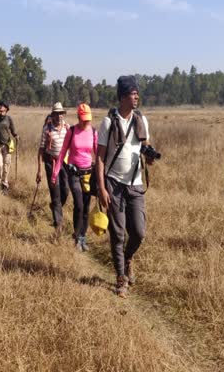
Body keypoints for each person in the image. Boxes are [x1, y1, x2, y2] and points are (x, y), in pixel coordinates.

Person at [96, 75, 154, 298]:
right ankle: (121, 278)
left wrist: (149, 158)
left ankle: (128, 258)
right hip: (113, 184)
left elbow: (144, 147)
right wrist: (101, 188)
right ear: (122, 97)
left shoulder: (142, 120)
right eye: (132, 93)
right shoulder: (108, 123)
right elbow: (100, 158)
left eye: (137, 92)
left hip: (136, 185)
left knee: (138, 233)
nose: (136, 96)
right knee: (118, 233)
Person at [52, 103, 98, 251]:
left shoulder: (94, 132)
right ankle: (76, 237)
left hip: (88, 174)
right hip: (73, 173)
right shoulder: (71, 131)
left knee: (85, 207)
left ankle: (83, 237)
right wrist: (55, 173)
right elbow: (62, 153)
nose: (86, 122)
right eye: (84, 119)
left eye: (88, 119)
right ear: (78, 117)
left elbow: (98, 155)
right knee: (78, 205)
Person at [36, 102, 70, 238]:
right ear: (53, 115)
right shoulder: (47, 129)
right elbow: (41, 150)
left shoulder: (67, 128)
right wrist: (39, 170)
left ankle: (55, 207)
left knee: (66, 191)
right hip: (51, 163)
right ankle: (58, 226)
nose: (59, 116)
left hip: (65, 163)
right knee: (55, 194)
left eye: (61, 113)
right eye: (56, 114)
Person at [0, 100, 18, 195]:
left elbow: (13, 130)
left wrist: (16, 136)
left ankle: (4, 184)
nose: (0, 107)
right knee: (0, 164)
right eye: (0, 106)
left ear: (6, 109)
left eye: (2, 106)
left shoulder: (9, 119)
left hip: (7, 145)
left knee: (6, 165)